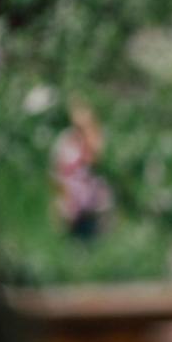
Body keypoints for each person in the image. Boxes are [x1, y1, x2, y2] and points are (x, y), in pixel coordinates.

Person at [50, 97, 113, 238]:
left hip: (72, 164)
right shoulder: (93, 204)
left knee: (90, 144)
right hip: (75, 166)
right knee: (91, 144)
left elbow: (59, 186)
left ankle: (77, 103)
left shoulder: (71, 208)